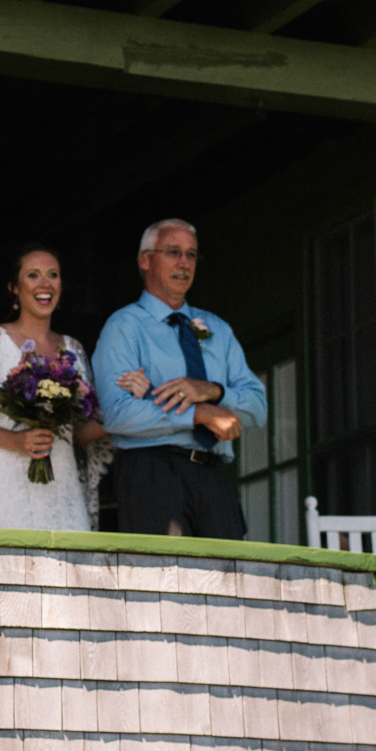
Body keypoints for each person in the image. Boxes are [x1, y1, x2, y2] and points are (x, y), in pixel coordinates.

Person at [92, 217, 267, 539]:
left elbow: (258, 407)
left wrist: (212, 391)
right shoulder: (124, 326)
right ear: (145, 260)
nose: (184, 263)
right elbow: (117, 414)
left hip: (212, 472)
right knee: (167, 580)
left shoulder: (218, 328)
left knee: (229, 578)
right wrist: (199, 413)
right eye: (173, 252)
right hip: (152, 471)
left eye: (191, 254)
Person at [0, 245, 110, 529]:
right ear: (14, 288)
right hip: (6, 486)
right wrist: (17, 441)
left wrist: (125, 414)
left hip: (62, 485)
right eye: (33, 275)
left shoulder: (74, 349)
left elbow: (79, 432)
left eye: (53, 275)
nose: (45, 284)